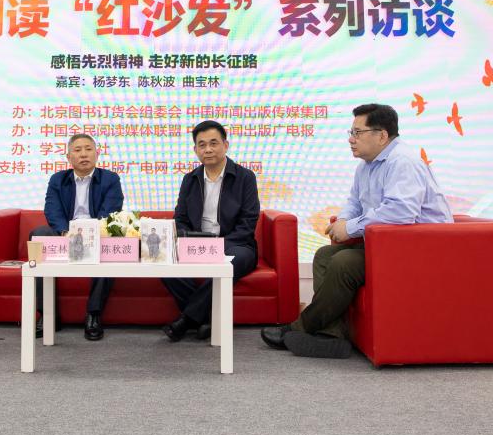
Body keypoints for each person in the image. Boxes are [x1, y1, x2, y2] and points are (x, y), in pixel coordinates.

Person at [261, 103, 453, 358]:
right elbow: (354, 202)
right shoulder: (366, 166)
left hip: (421, 249)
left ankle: (300, 327)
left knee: (343, 263)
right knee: (324, 256)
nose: (351, 139)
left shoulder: (403, 162)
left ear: (382, 135)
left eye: (357, 133)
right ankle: (330, 335)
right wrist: (341, 222)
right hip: (387, 245)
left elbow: (401, 212)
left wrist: (350, 228)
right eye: (351, 133)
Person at [162, 120, 259, 342]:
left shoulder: (245, 177)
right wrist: (191, 243)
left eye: (214, 143)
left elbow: (248, 222)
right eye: (202, 144)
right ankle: (205, 318)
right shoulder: (190, 179)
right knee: (164, 263)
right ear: (195, 149)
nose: (208, 149)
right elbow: (181, 219)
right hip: (198, 244)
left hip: (236, 244)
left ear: (226, 145)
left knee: (236, 260)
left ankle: (187, 319)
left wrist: (217, 247)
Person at [31, 133, 123, 341]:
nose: (83, 154)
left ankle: (93, 314)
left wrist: (91, 235)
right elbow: (52, 210)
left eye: (88, 149)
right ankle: (48, 315)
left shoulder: (110, 179)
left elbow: (111, 211)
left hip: (96, 235)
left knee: (108, 244)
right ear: (68, 157)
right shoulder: (58, 180)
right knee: (39, 235)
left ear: (97, 154)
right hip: (64, 235)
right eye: (78, 150)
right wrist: (65, 233)